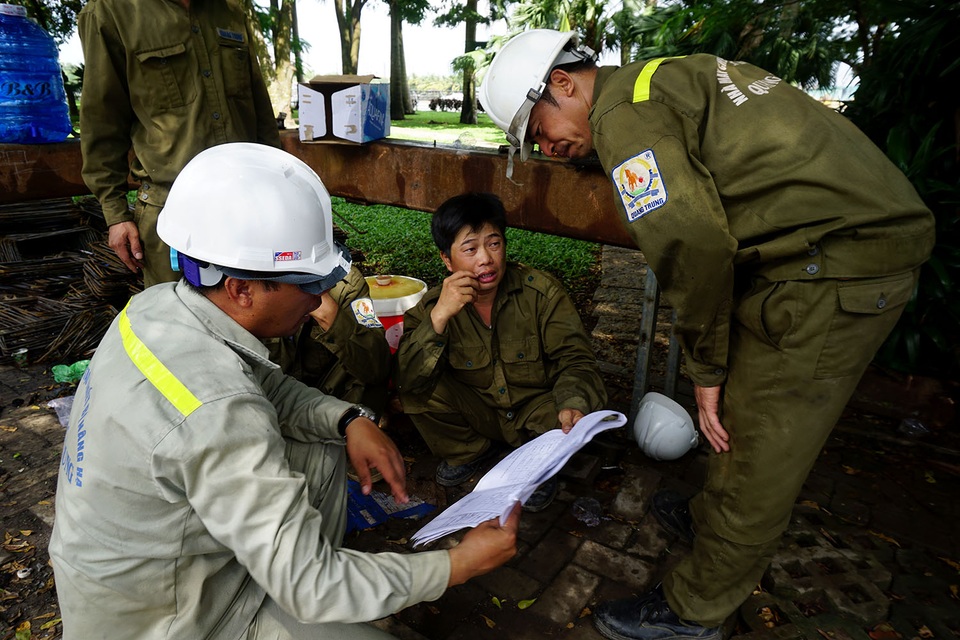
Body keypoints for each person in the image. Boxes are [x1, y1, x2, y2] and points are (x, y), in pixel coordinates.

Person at [480, 29, 935, 640]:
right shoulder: (658, 77)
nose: (545, 147)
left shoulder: (622, 117)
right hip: (828, 251)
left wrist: (705, 370)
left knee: (760, 453)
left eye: (536, 130)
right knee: (743, 419)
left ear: (562, 84)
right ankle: (707, 518)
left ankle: (695, 610)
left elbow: (691, 246)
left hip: (835, 267)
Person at [49, 143, 520, 640]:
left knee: (321, 449)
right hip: (175, 622)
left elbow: (267, 385)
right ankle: (303, 586)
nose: (318, 298)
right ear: (241, 289)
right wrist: (455, 565)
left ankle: (297, 576)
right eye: (305, 283)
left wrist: (347, 419)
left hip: (157, 571)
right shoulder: (218, 414)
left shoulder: (155, 308)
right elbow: (310, 581)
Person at [394, 192, 607, 511]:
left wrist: (573, 403)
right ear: (447, 260)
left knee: (573, 415)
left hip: (537, 414)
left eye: (494, 243)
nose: (485, 259)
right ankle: (470, 451)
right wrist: (439, 318)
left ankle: (538, 466)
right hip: (478, 412)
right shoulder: (432, 307)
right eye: (470, 248)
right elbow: (408, 379)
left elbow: (575, 359)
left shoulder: (541, 294)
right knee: (419, 388)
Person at [78, 0, 281, 288]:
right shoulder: (111, 12)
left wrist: (276, 189)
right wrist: (115, 213)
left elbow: (260, 111)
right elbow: (102, 120)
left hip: (245, 203)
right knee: (179, 321)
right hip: (171, 209)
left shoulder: (231, 11)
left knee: (254, 313)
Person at [264, 264, 391, 422]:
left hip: (325, 396)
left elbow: (376, 366)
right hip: (264, 402)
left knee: (364, 356)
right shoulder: (247, 281)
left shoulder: (343, 279)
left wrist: (329, 315)